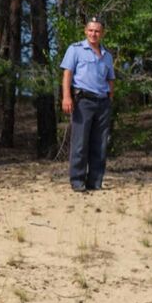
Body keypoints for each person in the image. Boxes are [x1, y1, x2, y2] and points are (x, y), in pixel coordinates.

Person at [60, 16, 115, 192]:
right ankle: (77, 181)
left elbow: (110, 79)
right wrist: (66, 97)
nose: (93, 34)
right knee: (80, 142)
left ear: (102, 33)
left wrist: (110, 99)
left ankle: (95, 181)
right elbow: (67, 74)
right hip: (83, 101)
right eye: (90, 30)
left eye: (97, 31)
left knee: (100, 143)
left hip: (102, 102)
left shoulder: (107, 56)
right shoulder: (75, 49)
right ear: (85, 31)